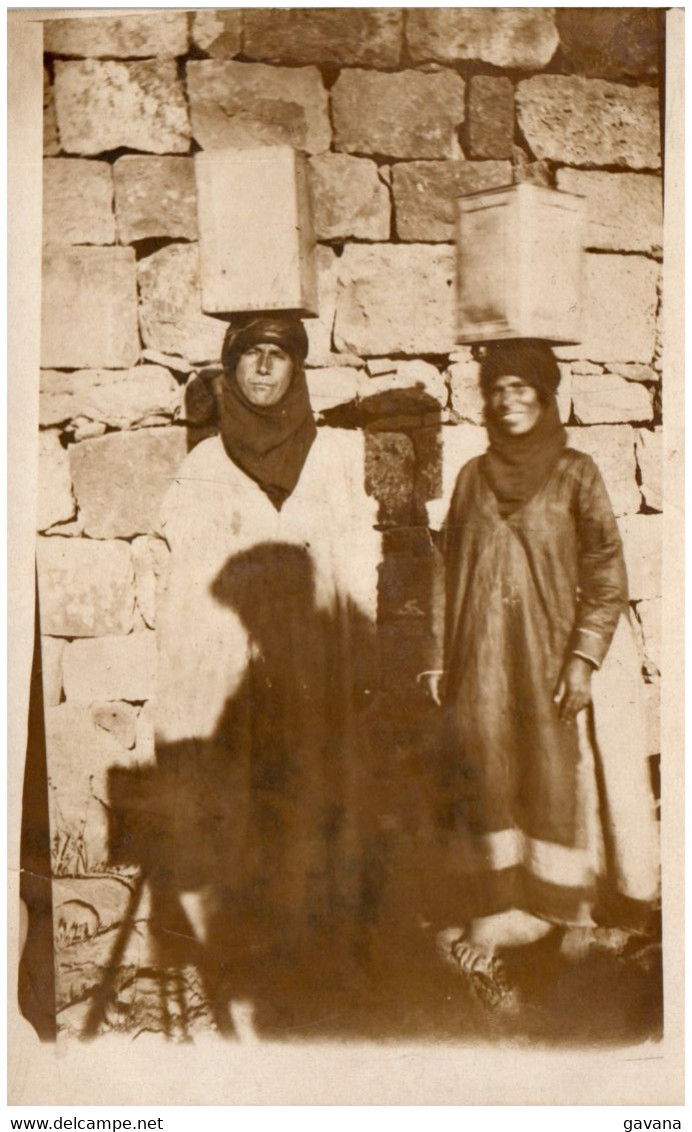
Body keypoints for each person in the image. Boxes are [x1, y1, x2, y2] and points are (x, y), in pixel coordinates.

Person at [150, 314, 381, 1033]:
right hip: (233, 677)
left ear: (295, 368)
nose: (261, 370)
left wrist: (355, 663)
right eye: (248, 355)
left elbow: (358, 571)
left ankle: (320, 951)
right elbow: (187, 589)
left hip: (316, 671)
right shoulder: (205, 468)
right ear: (229, 369)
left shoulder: (337, 458)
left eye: (276, 356)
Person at [423, 340, 660, 1013]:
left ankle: (563, 915)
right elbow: (446, 572)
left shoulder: (577, 473)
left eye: (524, 387)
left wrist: (584, 658)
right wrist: (439, 657)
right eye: (498, 388)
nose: (509, 400)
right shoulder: (471, 478)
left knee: (554, 779)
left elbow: (607, 573)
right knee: (488, 777)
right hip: (480, 668)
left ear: (547, 395)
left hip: (551, 665)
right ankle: (499, 909)